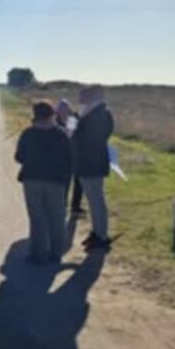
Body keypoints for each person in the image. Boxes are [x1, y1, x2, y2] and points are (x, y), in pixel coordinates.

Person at [15, 101, 72, 264]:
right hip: (56, 181)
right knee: (57, 217)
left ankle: (38, 254)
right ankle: (56, 253)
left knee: (37, 217)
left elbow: (19, 157)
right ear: (52, 114)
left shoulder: (28, 134)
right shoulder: (61, 134)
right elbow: (70, 159)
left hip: (32, 179)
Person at [72, 85, 115, 250]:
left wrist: (75, 130)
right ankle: (96, 232)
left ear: (93, 98)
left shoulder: (101, 115)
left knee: (97, 201)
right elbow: (71, 132)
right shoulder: (84, 113)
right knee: (92, 201)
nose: (80, 100)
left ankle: (101, 236)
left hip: (93, 163)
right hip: (85, 163)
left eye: (83, 97)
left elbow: (88, 138)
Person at [56, 98, 85, 215]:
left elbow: (70, 134)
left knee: (79, 182)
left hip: (76, 155)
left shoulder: (72, 119)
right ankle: (62, 205)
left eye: (65, 109)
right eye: (61, 109)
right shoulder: (54, 120)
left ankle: (75, 206)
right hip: (62, 157)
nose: (63, 112)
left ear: (68, 110)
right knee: (64, 183)